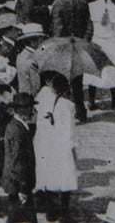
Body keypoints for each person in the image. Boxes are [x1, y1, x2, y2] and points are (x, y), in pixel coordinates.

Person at [34, 72, 78, 221]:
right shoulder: (68, 106)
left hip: (47, 144)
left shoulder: (43, 99)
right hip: (62, 145)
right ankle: (65, 212)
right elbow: (70, 130)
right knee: (66, 177)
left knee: (50, 175)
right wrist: (72, 148)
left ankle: (51, 210)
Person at [1, 91, 37, 223]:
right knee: (21, 216)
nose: (32, 110)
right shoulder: (17, 130)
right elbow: (17, 160)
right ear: (23, 109)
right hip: (19, 183)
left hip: (17, 182)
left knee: (17, 216)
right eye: (30, 107)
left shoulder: (18, 125)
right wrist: (23, 188)